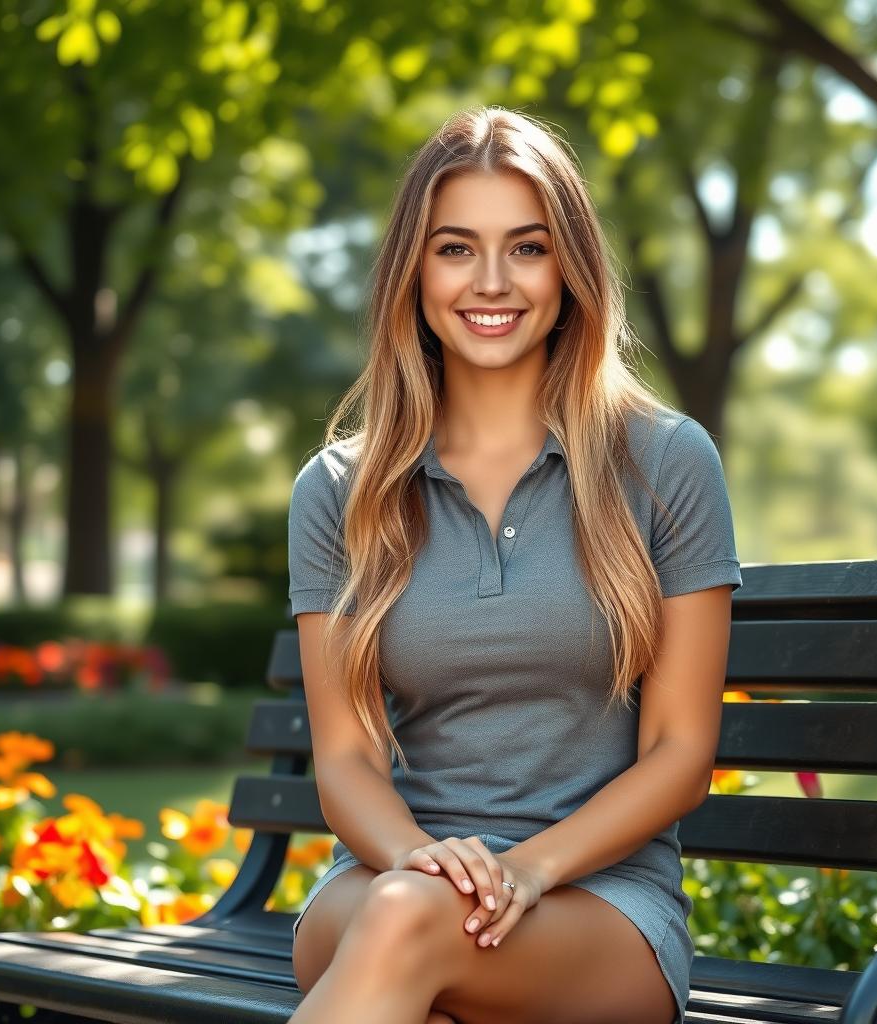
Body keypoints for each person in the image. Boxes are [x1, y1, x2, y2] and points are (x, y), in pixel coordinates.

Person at [286, 105, 742, 1024]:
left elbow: (680, 754)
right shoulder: (341, 487)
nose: (491, 281)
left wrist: (529, 867)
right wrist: (422, 859)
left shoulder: (664, 461)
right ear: (412, 270)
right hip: (383, 879)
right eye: (455, 248)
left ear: (568, 266)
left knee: (411, 941)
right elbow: (344, 757)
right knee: (406, 920)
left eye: (526, 248)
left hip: (601, 905)